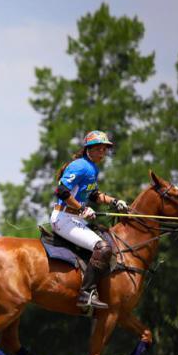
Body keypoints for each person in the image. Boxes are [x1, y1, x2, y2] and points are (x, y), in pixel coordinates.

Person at [51, 130, 129, 310]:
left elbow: (93, 194)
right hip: (63, 217)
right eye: (100, 149)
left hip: (75, 218)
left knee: (108, 239)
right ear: (89, 149)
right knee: (102, 247)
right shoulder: (80, 165)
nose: (103, 153)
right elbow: (61, 191)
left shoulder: (93, 168)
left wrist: (115, 201)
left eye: (105, 150)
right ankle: (86, 294)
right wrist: (82, 208)